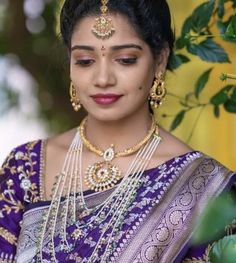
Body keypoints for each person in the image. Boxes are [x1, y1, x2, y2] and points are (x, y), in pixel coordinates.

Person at [0, 0, 235, 262]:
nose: (103, 78)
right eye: (85, 61)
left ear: (160, 61)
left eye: (125, 60)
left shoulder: (204, 187)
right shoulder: (25, 168)